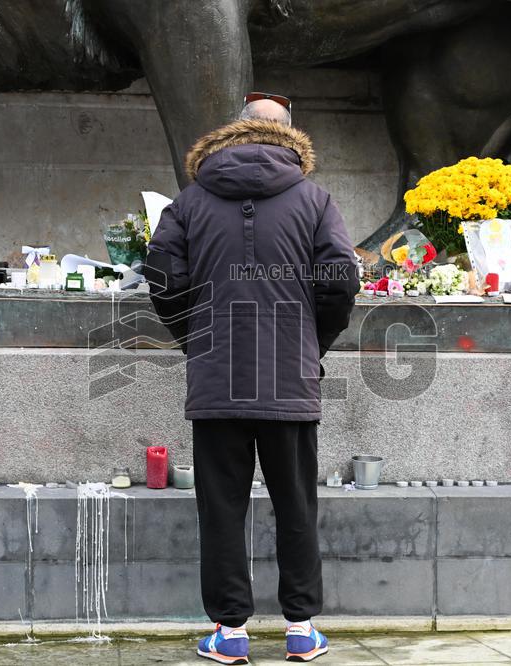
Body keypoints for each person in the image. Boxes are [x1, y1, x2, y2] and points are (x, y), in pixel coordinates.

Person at [146, 92, 359, 664]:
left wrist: (198, 340)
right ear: (292, 135)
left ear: (234, 131)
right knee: (295, 504)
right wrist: (314, 341)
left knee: (221, 508)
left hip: (217, 382)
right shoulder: (315, 200)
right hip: (289, 378)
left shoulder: (188, 201)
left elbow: (163, 280)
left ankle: (229, 633)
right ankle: (300, 628)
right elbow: (340, 282)